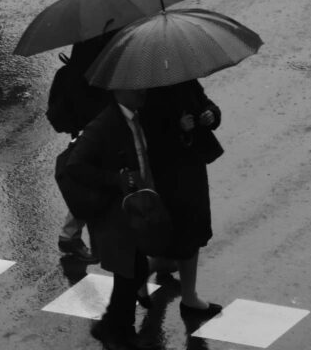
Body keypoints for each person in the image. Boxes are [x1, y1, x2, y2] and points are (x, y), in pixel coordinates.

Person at [64, 88, 161, 349]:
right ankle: (117, 329)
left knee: (133, 269)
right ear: (120, 90)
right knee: (130, 269)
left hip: (132, 208)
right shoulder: (104, 125)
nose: (143, 92)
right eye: (136, 87)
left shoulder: (134, 117)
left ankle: (113, 326)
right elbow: (75, 165)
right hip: (114, 213)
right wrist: (114, 180)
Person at [139, 80, 224, 320]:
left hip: (191, 168)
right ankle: (184, 294)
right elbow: (147, 135)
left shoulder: (184, 81)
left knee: (188, 234)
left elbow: (205, 103)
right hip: (169, 175)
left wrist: (211, 115)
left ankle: (187, 294)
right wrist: (178, 129)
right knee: (182, 234)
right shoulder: (148, 92)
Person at [53, 33, 116, 263]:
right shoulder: (101, 63)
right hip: (97, 134)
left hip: (86, 133)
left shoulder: (73, 68)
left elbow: (58, 114)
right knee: (95, 187)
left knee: (90, 187)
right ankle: (78, 237)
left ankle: (71, 234)